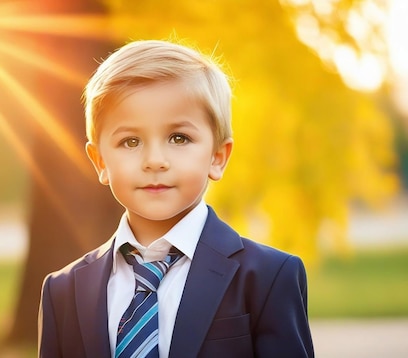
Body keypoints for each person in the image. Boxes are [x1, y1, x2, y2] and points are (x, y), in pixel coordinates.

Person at [38, 39, 314, 358]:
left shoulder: (267, 277)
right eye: (130, 142)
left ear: (217, 157)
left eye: (178, 138)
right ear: (100, 162)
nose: (155, 160)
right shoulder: (63, 291)